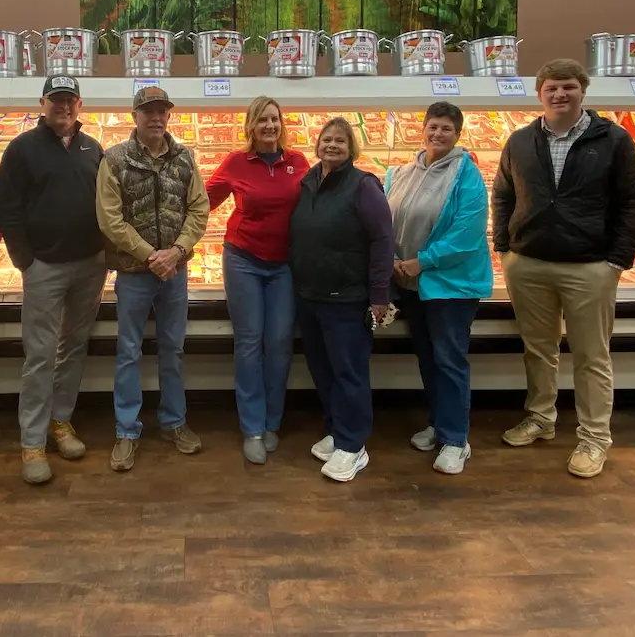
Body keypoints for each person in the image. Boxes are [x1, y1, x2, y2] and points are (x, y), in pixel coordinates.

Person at [493, 58, 635, 479]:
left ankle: (594, 437)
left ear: (582, 91)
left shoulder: (613, 139)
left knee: (591, 356)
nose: (559, 94)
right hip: (528, 263)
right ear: (539, 94)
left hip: (590, 266)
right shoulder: (521, 140)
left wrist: (616, 261)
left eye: (568, 87)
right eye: (552, 88)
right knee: (538, 349)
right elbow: (503, 193)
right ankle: (541, 418)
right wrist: (505, 248)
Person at [0, 75, 107, 485]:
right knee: (40, 355)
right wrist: (25, 261)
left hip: (90, 265)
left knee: (73, 347)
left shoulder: (92, 148)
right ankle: (32, 442)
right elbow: (6, 208)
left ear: (79, 105)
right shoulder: (22, 148)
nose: (64, 106)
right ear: (43, 103)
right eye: (56, 99)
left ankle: (61, 422)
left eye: (70, 100)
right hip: (44, 268)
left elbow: (107, 203)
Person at [96, 85, 210, 472]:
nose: (156, 117)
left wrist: (176, 251)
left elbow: (199, 209)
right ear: (135, 116)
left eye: (162, 111)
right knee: (128, 351)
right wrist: (150, 255)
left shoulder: (185, 158)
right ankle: (126, 430)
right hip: (134, 274)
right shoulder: (115, 159)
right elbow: (110, 219)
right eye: (149, 111)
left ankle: (174, 421)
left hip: (174, 272)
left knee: (172, 350)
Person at [385, 102, 492, 476]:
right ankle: (438, 423)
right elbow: (385, 220)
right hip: (411, 284)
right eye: (433, 126)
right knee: (429, 358)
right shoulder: (403, 172)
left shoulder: (467, 175)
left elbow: (467, 233)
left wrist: (422, 261)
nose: (438, 133)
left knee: (449, 360)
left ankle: (456, 439)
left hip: (450, 286)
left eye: (446, 128)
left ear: (457, 134)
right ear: (423, 129)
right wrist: (392, 259)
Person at [290, 117, 394, 483]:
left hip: (346, 297)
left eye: (340, 141)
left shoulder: (363, 185)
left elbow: (383, 239)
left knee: (349, 372)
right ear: (317, 144)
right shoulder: (308, 182)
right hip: (310, 294)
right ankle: (337, 430)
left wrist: (379, 295)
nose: (332, 145)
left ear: (351, 148)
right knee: (323, 369)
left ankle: (353, 446)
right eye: (327, 139)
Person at [206, 96, 309, 464]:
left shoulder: (298, 162)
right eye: (262, 120)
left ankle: (271, 422)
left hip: (285, 265)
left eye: (275, 119)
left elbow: (317, 205)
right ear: (250, 126)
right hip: (243, 260)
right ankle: (251, 427)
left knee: (279, 342)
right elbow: (203, 201)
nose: (270, 125)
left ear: (282, 124)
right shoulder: (237, 162)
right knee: (249, 343)